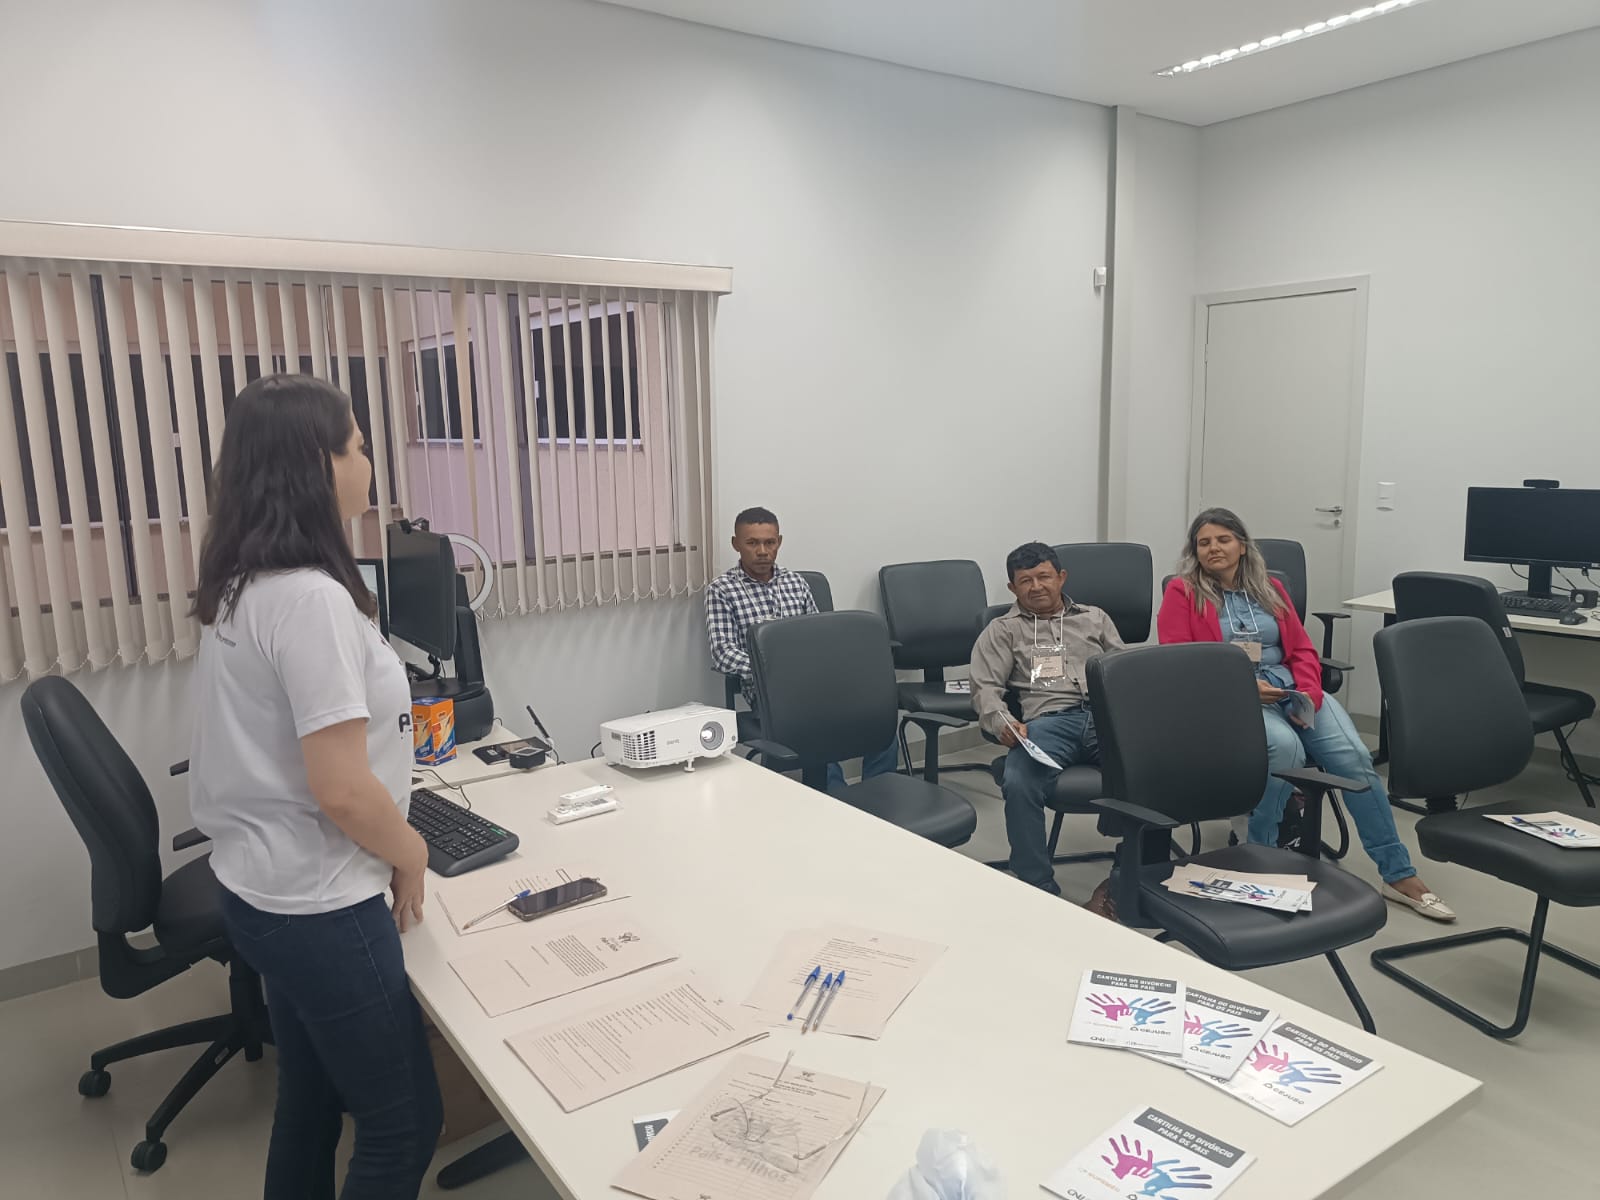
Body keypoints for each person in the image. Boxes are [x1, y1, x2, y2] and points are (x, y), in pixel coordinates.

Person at [189, 375, 443, 1199]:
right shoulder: (308, 600)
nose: (369, 462)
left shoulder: (247, 582)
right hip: (322, 903)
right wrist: (411, 851)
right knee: (403, 1126)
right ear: (318, 463)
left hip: (260, 889)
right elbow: (341, 791)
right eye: (359, 446)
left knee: (309, 1102)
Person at [1157, 507, 1455, 922]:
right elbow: (1180, 661)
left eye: (1223, 539)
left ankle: (1397, 873)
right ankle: (1259, 857)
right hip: (1230, 696)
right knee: (1285, 750)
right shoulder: (1183, 592)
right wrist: (1242, 687)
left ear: (1242, 545)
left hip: (1290, 687)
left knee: (1354, 758)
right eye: (1204, 543)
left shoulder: (1270, 588)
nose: (1214, 549)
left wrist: (1310, 695)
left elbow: (1301, 650)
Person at [705, 506, 899, 788]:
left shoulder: (796, 583)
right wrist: (774, 672)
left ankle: (880, 792)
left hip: (818, 685)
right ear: (736, 544)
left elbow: (820, 638)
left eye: (769, 542)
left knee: (878, 713)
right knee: (820, 725)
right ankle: (835, 799)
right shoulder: (722, 589)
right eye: (752, 543)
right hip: (771, 697)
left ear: (779, 542)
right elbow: (723, 653)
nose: (762, 551)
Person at [971, 542, 1124, 895]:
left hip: (1106, 717)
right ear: (1012, 587)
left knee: (1153, 765)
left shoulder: (1095, 618)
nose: (1036, 586)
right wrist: (1002, 722)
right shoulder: (1002, 630)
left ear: (1061, 577)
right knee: (1018, 780)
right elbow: (985, 688)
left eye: (1044, 577)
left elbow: (1124, 670)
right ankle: (1036, 885)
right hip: (1049, 723)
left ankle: (1138, 868)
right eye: (1026, 581)